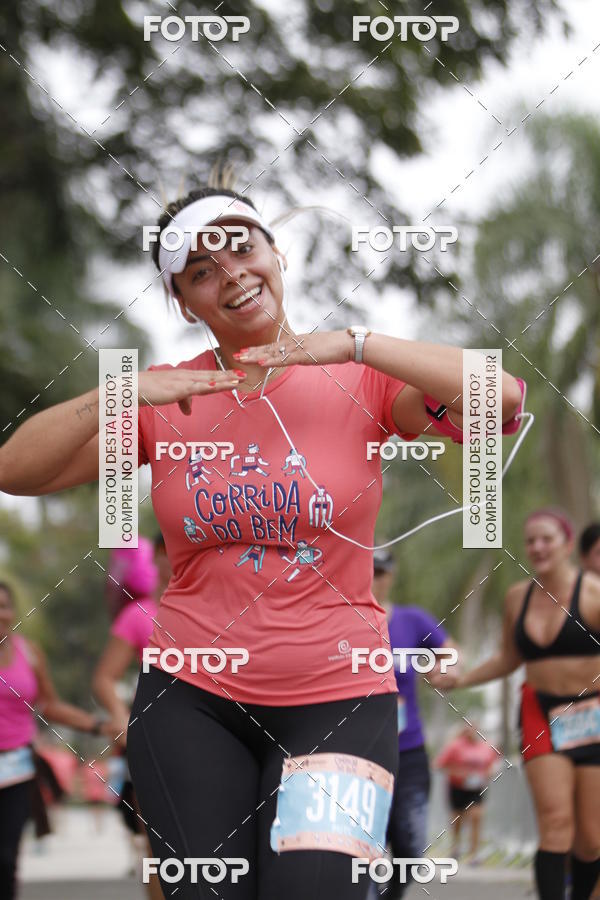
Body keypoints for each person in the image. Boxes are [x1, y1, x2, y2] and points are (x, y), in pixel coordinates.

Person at [0, 174, 524, 899]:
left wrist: (354, 344)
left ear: (275, 254)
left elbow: (500, 399)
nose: (230, 276)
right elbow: (16, 471)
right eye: (201, 271)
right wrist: (120, 392)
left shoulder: (359, 379)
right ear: (182, 302)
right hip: (191, 697)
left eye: (241, 249)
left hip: (340, 694)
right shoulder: (165, 396)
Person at [447, 508, 600, 900]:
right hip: (540, 713)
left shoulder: (594, 592)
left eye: (547, 538)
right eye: (531, 540)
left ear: (567, 544)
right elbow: (508, 658)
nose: (537, 547)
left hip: (593, 715)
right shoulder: (518, 597)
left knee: (592, 840)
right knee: (555, 821)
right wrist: (461, 679)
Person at [0, 581, 107, 899]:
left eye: (4, 605)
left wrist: (99, 725)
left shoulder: (29, 653)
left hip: (16, 769)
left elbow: (48, 705)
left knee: (5, 858)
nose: (0, 613)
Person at [371, 549, 457, 898]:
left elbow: (451, 651)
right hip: (355, 754)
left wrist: (447, 667)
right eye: (367, 571)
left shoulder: (413, 620)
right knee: (360, 849)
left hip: (408, 752)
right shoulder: (339, 620)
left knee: (410, 848)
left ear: (391, 575)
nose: (374, 579)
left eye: (380, 572)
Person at [93, 534, 170, 900]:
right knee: (157, 845)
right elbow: (104, 678)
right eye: (169, 551)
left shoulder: (219, 606)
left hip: (216, 736)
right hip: (154, 740)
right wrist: (121, 718)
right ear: (156, 558)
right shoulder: (139, 616)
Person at [433, 724, 499, 862]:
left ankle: (474, 853)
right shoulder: (455, 746)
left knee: (476, 817)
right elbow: (439, 765)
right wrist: (457, 772)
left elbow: (494, 763)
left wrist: (489, 772)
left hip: (476, 788)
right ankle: (456, 846)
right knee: (458, 819)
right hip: (457, 787)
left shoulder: (485, 746)